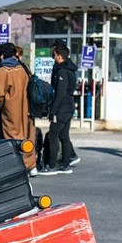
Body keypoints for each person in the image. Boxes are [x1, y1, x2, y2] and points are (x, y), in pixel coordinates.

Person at [0, 43, 37, 174]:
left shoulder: (3, 70)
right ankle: (31, 165)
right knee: (28, 136)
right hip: (28, 108)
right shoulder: (24, 68)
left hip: (11, 110)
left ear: (1, 55)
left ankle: (16, 167)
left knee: (12, 138)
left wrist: (1, 106)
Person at [39, 43, 77, 175]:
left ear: (59, 56)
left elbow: (59, 93)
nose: (53, 57)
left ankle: (51, 165)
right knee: (64, 136)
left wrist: (53, 111)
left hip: (62, 108)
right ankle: (65, 164)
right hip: (69, 106)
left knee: (53, 136)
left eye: (54, 55)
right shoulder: (71, 70)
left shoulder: (62, 72)